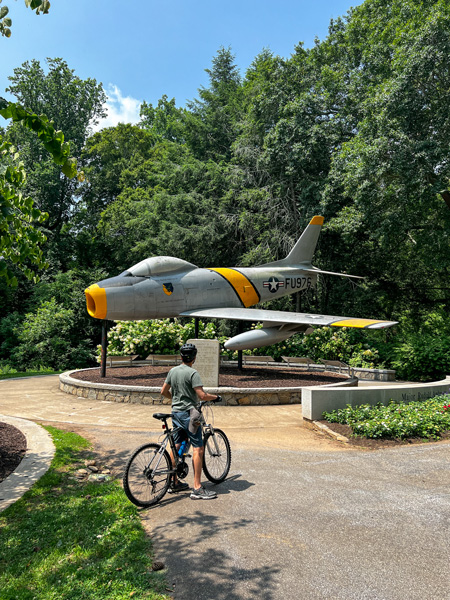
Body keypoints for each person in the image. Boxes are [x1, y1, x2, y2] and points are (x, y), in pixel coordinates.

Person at [160, 343, 221, 500]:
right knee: (198, 449)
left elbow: (163, 391)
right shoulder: (193, 373)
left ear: (181, 357)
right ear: (194, 357)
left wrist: (174, 400)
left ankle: (173, 482)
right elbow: (201, 395)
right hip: (190, 414)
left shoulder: (173, 371)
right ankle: (197, 488)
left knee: (177, 445)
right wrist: (215, 397)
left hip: (176, 413)